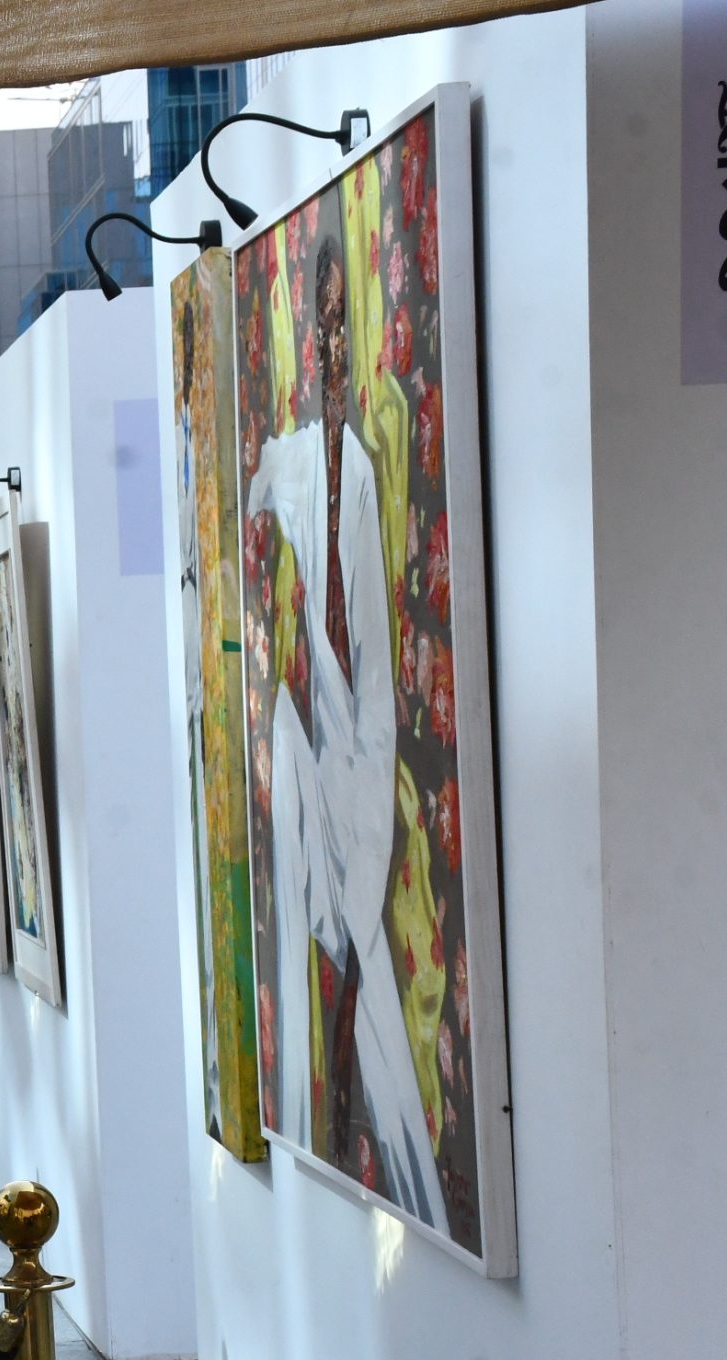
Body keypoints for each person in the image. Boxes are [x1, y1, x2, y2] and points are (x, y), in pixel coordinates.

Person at [245, 237, 434, 1222]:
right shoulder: (291, 462)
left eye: (336, 324)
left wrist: (365, 824)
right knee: (332, 986)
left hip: (357, 771)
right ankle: (327, 1133)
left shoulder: (354, 469)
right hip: (306, 759)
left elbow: (372, 681)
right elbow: (247, 499)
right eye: (314, 327)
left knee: (370, 1001)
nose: (326, 344)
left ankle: (387, 1165)